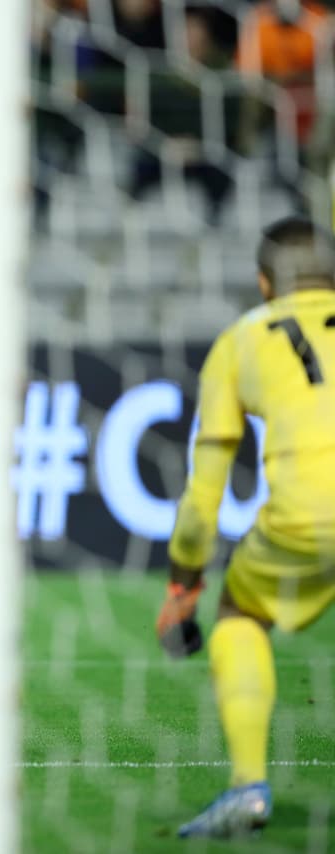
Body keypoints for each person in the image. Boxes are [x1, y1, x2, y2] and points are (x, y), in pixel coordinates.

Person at [156, 215, 335, 837]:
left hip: (307, 518)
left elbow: (202, 503)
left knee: (240, 614)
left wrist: (183, 588)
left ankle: (248, 788)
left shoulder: (242, 339)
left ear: (264, 284)